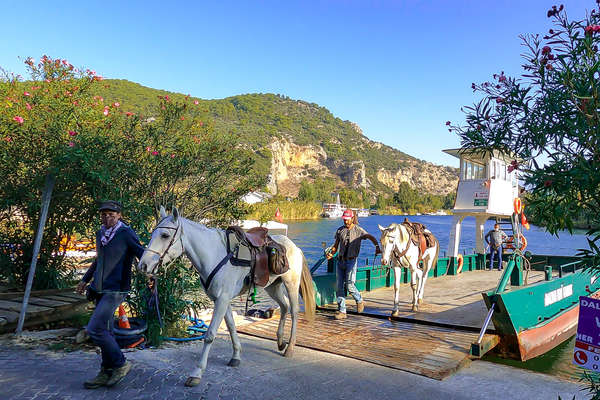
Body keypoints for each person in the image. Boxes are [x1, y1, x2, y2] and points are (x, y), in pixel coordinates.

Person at [76, 200, 145, 389]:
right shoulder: (101, 234)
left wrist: (150, 274)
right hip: (99, 288)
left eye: (111, 215)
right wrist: (85, 279)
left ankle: (120, 363)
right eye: (104, 214)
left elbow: (143, 254)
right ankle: (106, 371)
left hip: (116, 290)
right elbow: (100, 260)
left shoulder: (126, 233)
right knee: (106, 331)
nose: (107, 218)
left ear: (119, 215)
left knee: (95, 329)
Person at [326, 209, 381, 320]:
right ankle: (342, 311)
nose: (345, 221)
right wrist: (331, 254)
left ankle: (359, 300)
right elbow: (336, 245)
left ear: (352, 218)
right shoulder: (340, 230)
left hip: (351, 261)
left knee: (350, 285)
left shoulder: (358, 230)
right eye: (344, 219)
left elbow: (370, 237)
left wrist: (377, 247)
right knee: (339, 287)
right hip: (340, 261)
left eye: (347, 219)